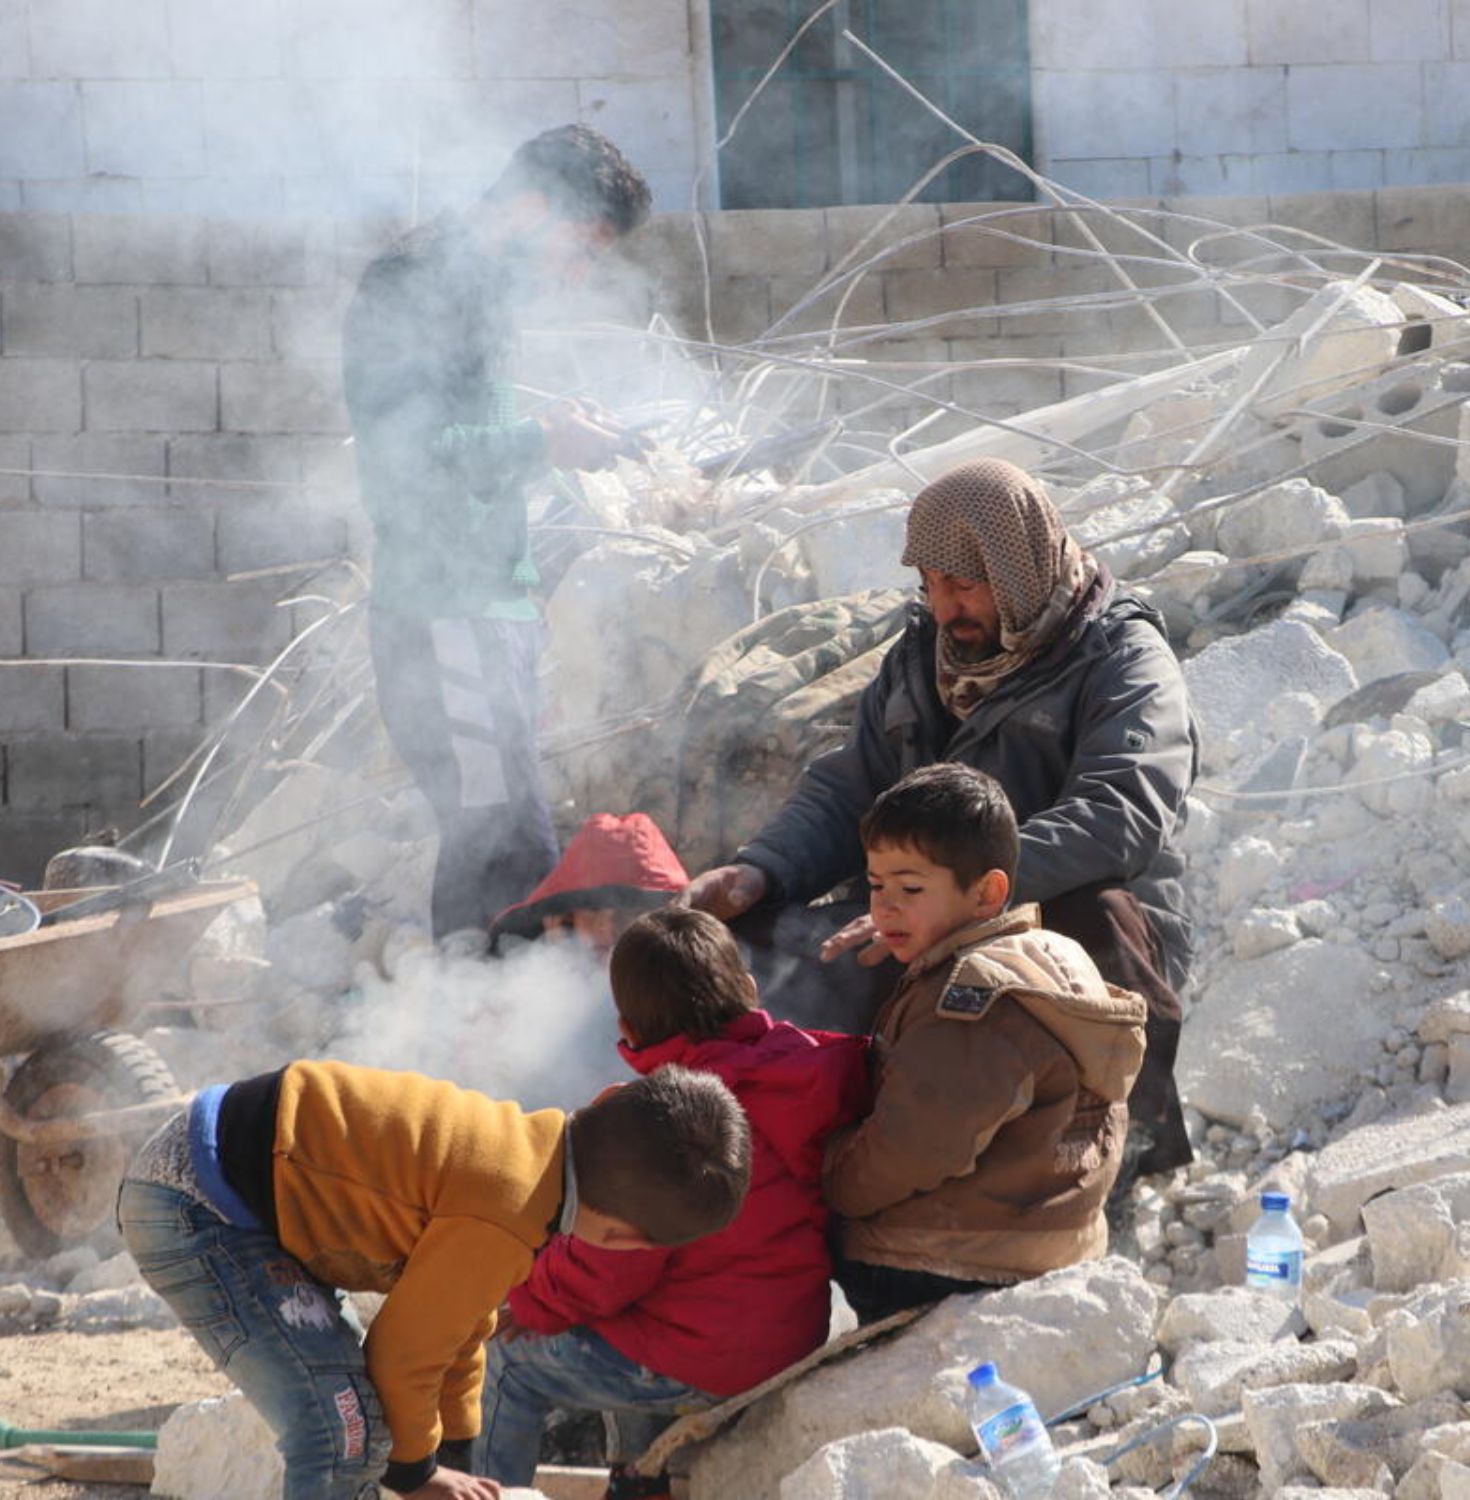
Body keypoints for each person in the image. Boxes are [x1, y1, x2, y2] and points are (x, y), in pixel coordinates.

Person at [686, 457, 1200, 1175]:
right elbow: (850, 787)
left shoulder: (1121, 657)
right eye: (930, 585)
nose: (944, 607)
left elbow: (1117, 814)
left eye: (962, 585)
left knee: (1095, 917)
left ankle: (1123, 1147)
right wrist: (757, 870)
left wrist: (957, 897)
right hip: (924, 904)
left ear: (1017, 570)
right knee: (759, 944)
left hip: (1058, 912)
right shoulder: (923, 654)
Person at [117, 1061, 749, 1500]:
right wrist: (417, 1474)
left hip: (236, 1178)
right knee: (343, 1427)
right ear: (622, 1241)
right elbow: (402, 1355)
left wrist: (453, 1459)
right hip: (199, 1203)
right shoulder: (506, 1212)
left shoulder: (526, 1162)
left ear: (607, 1097)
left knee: (364, 1420)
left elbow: (462, 1333)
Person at [344, 124, 652, 940]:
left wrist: (559, 439)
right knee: (501, 846)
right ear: (528, 208)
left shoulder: (477, 295)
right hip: (447, 613)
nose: (579, 272)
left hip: (483, 614)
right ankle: (482, 1041)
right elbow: (403, 464)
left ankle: (475, 1030)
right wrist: (543, 441)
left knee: (503, 835)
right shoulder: (417, 288)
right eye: (579, 246)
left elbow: (474, 454)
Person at [475, 908, 869, 1492]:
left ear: (628, 1028)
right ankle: (638, 1481)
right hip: (790, 1330)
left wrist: (524, 1300)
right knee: (636, 1320)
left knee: (506, 1364)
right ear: (750, 989)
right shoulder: (801, 1076)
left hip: (708, 1359)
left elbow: (605, 1267)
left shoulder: (667, 1125)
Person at [821, 764, 1146, 1322]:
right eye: (876, 886)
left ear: (987, 893)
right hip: (1053, 1239)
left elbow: (915, 1148)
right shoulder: (1049, 952)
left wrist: (828, 1181)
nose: (884, 908)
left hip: (946, 1262)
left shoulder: (968, 1003)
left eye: (910, 888)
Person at [487, 812, 690, 957]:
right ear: (567, 916)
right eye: (593, 908)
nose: (606, 926)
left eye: (627, 910)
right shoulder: (527, 977)